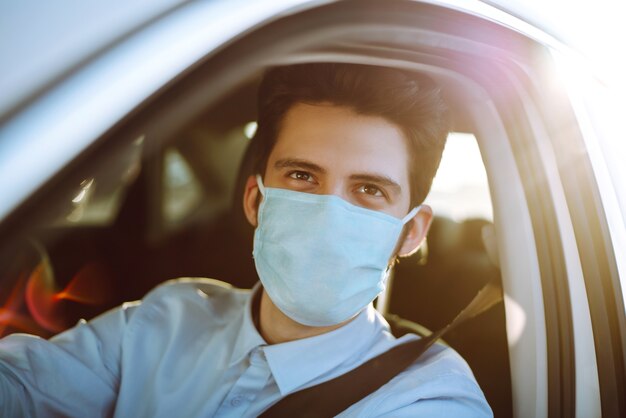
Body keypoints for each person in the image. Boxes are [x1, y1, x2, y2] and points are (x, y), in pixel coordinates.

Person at [0, 63, 492, 417]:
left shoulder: (427, 399)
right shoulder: (164, 321)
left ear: (410, 231)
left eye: (368, 189)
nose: (328, 211)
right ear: (255, 200)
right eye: (302, 176)